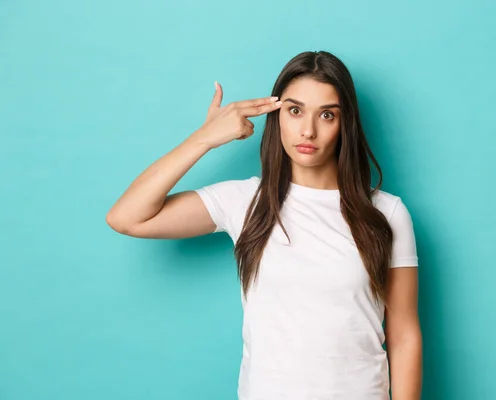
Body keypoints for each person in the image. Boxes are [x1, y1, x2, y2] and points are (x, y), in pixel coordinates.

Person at [106, 50, 422, 400]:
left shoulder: (387, 213)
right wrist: (205, 138)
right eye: (295, 110)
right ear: (277, 115)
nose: (308, 130)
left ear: (344, 124)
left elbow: (404, 333)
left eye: (327, 115)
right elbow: (126, 217)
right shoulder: (246, 201)